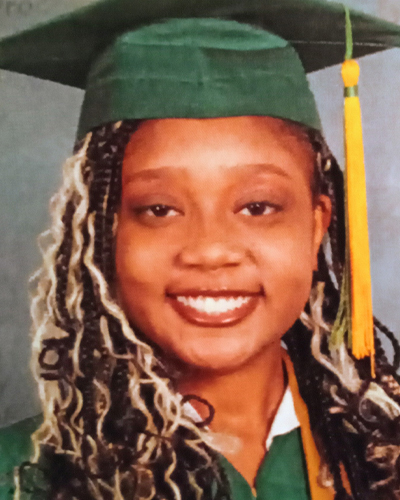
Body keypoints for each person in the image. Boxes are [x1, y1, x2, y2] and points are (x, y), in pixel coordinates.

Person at [1, 1, 400, 499]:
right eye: (159, 209)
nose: (210, 251)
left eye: (257, 206)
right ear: (104, 233)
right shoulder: (19, 478)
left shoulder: (383, 455)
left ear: (317, 225)